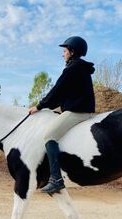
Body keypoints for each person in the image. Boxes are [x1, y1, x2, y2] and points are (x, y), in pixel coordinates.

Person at [28, 36, 95, 194]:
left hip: (77, 112)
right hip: (80, 110)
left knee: (49, 136)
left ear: (72, 51)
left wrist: (39, 106)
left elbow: (56, 92)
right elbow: (65, 94)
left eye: (64, 51)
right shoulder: (80, 68)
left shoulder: (72, 69)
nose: (63, 54)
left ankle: (56, 179)